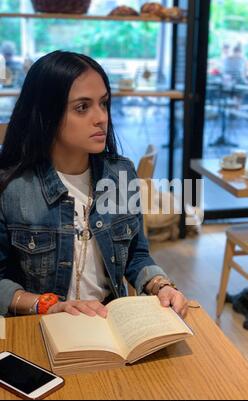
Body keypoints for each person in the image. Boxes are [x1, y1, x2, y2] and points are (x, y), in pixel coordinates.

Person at [0, 50, 188, 318]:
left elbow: (136, 255)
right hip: (40, 328)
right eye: (82, 107)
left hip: (111, 320)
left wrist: (161, 285)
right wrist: (48, 304)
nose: (101, 117)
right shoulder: (13, 187)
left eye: (104, 103)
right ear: (46, 114)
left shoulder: (121, 174)